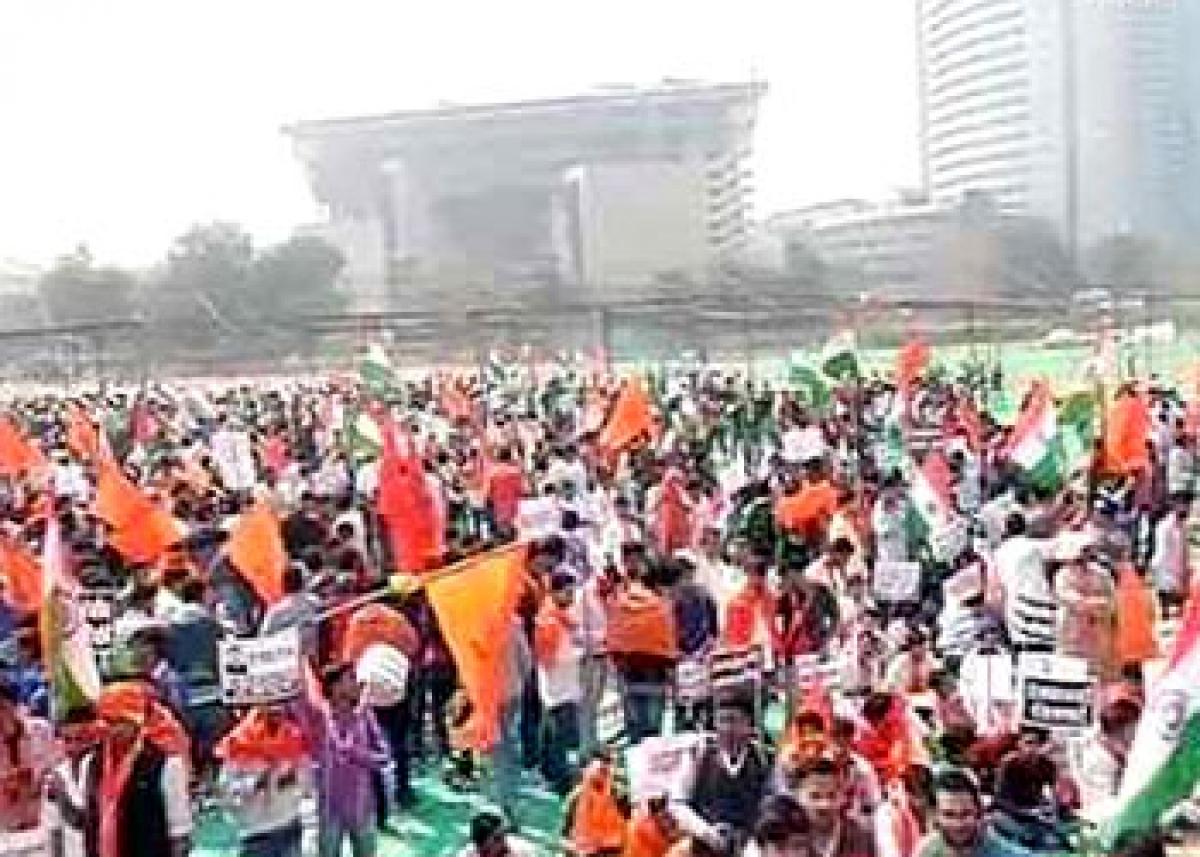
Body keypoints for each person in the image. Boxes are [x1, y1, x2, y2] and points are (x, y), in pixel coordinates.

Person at [87, 681, 193, 857]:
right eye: (108, 721)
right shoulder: (92, 763)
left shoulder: (165, 763)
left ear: (137, 722)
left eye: (121, 722)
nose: (113, 730)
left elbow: (180, 835)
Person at [298, 664, 389, 857]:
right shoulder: (319, 717)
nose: (358, 684)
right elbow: (299, 702)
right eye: (351, 678)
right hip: (329, 808)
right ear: (335, 686)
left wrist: (359, 755)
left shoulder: (365, 716)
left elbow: (384, 757)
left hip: (362, 806)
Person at [216, 707, 309, 857]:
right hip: (257, 833)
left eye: (280, 712)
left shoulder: (293, 737)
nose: (277, 717)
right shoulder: (237, 743)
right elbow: (226, 791)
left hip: (289, 826)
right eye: (271, 713)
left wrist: (292, 779)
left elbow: (306, 782)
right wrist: (257, 782)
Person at [687, 694, 771, 844]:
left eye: (733, 720)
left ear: (748, 725)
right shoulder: (698, 757)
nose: (727, 729)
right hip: (706, 838)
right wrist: (705, 831)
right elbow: (678, 803)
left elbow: (774, 804)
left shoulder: (765, 760)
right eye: (721, 721)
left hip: (753, 842)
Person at [793, 755, 878, 857]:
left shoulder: (862, 835)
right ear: (797, 796)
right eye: (815, 796)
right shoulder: (786, 838)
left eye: (832, 795)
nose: (825, 805)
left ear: (842, 795)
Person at [914, 768, 999, 857]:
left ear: (978, 811)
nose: (958, 824)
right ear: (935, 815)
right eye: (949, 815)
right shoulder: (925, 851)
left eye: (965, 814)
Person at [454, 809, 539, 857]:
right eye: (498, 838)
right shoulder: (467, 853)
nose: (504, 842)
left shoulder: (522, 850)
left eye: (487, 851)